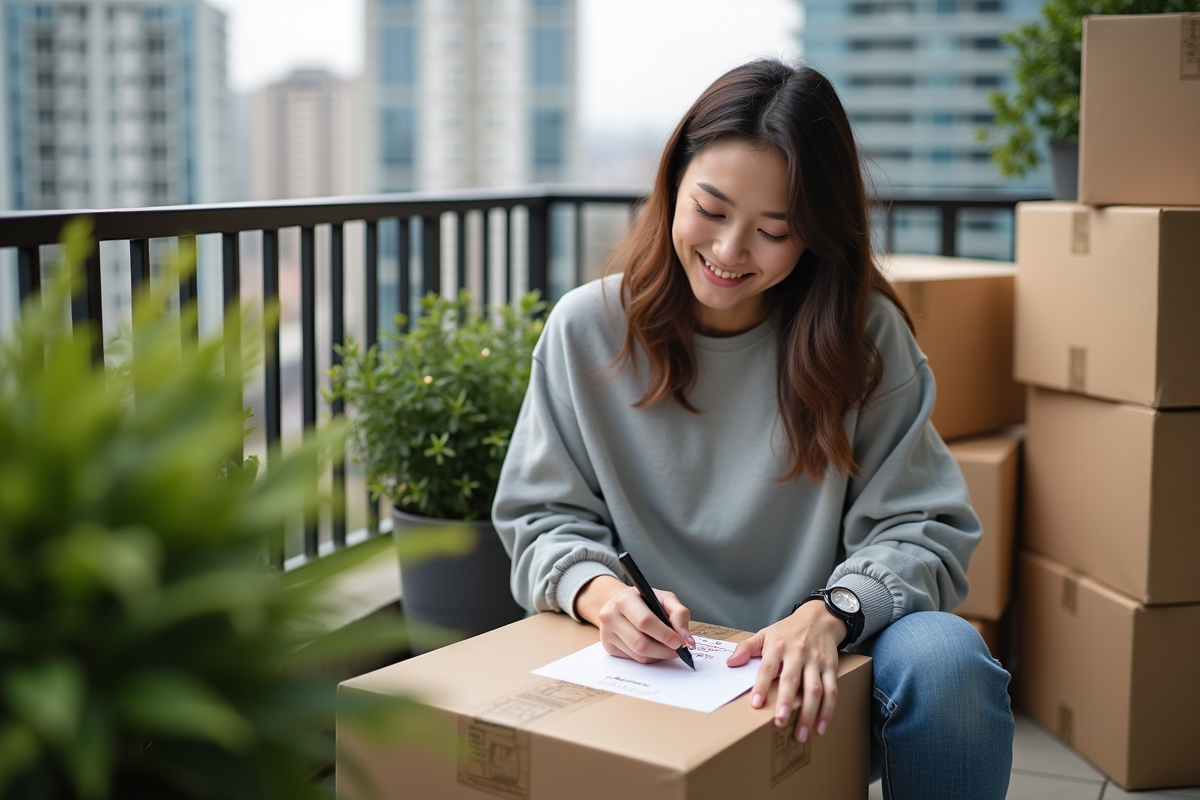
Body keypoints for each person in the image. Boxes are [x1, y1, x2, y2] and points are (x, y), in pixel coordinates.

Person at [492, 58, 1013, 800]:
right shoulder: (586, 330)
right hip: (648, 670)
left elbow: (925, 529)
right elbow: (541, 518)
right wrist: (604, 596)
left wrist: (829, 615)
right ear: (674, 179)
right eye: (711, 208)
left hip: (821, 671)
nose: (731, 252)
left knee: (949, 661)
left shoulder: (865, 339)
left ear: (813, 239)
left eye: (774, 231)